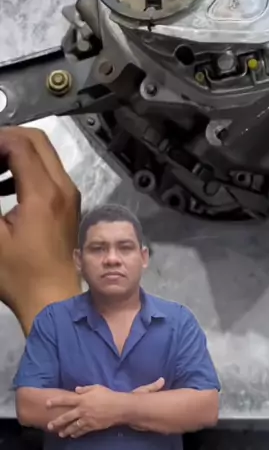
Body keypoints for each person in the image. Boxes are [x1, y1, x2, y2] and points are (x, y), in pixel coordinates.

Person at [0, 127, 220, 447]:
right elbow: (31, 407)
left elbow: (204, 408)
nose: (112, 259)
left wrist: (116, 408)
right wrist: (140, 409)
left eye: (124, 248)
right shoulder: (52, 322)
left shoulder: (176, 321)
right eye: (99, 249)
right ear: (79, 258)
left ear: (144, 257)